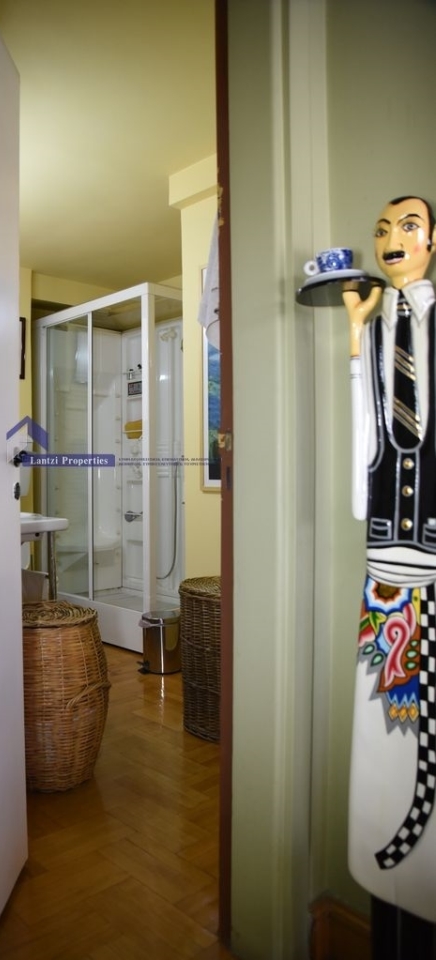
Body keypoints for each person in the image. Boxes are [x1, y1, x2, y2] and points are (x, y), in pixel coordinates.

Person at [343, 196, 436, 954]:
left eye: (408, 226)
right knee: (385, 716)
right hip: (384, 562)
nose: (391, 239)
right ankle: (388, 848)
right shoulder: (375, 334)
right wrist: (355, 334)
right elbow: (367, 430)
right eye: (382, 230)